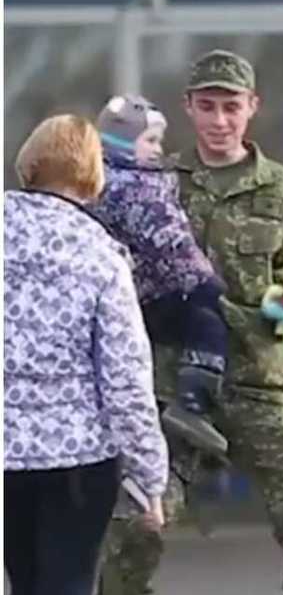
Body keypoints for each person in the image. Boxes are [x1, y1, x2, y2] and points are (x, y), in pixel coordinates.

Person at [92, 50, 283, 595]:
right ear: (188, 110)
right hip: (170, 391)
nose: (220, 120)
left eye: (232, 106)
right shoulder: (152, 179)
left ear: (252, 108)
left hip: (260, 386)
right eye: (207, 106)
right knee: (136, 524)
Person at [5, 115, 168, 595]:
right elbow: (125, 380)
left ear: (30, 164)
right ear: (92, 175)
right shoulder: (101, 256)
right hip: (78, 460)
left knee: (22, 584)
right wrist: (149, 478)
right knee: (69, 584)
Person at [92, 93, 230, 460]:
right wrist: (207, 285)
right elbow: (171, 245)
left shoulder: (97, 182)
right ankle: (192, 406)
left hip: (122, 302)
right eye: (150, 140)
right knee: (209, 324)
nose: (158, 149)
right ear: (121, 143)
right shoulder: (139, 188)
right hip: (153, 294)